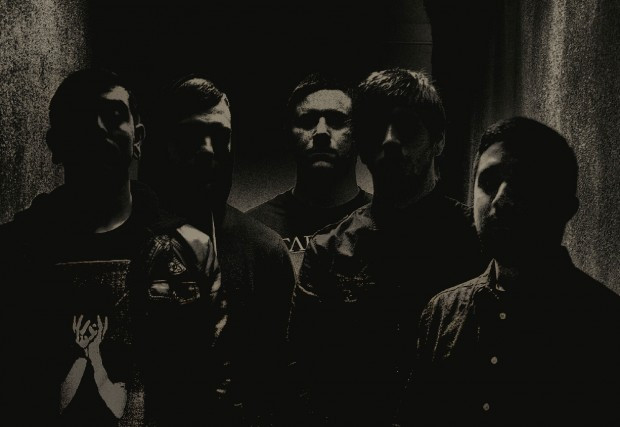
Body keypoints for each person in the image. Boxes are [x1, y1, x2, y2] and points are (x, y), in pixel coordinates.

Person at [0, 69, 226, 426]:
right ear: (55, 144)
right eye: (80, 116)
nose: (97, 127)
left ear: (138, 139)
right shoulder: (14, 252)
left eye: (114, 114)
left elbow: (212, 383)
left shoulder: (190, 249)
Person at [287, 68, 485, 426]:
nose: (390, 140)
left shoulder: (478, 242)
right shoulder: (328, 250)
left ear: (438, 141)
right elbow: (304, 376)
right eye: (377, 129)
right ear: (362, 148)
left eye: (406, 128)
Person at [404, 117, 620, 427]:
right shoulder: (439, 313)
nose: (502, 199)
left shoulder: (606, 325)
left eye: (527, 182)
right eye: (489, 181)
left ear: (565, 207)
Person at [139, 75, 296, 426]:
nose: (208, 149)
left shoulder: (265, 250)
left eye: (220, 136)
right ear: (165, 144)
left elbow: (281, 384)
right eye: (191, 136)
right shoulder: (133, 239)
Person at [247, 73, 371, 275]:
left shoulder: (389, 223)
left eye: (337, 120)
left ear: (360, 133)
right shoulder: (253, 230)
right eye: (307, 121)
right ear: (288, 134)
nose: (321, 132)